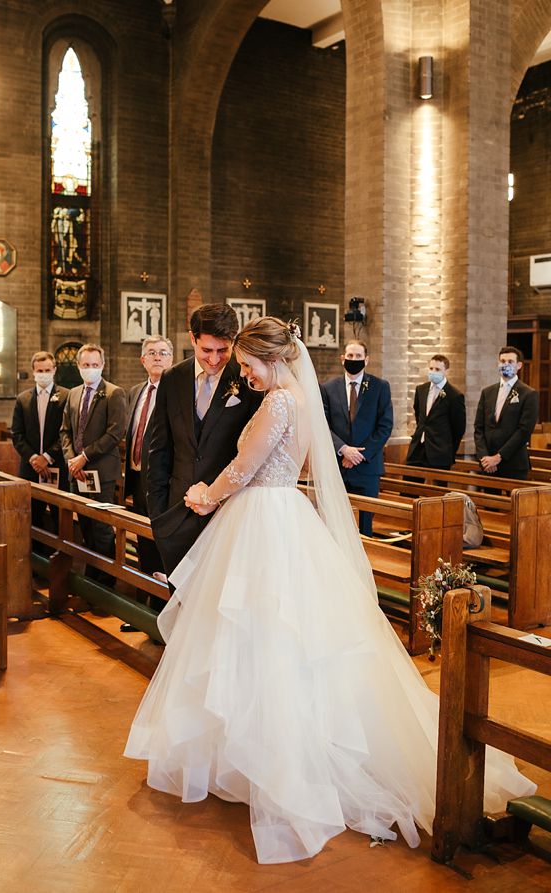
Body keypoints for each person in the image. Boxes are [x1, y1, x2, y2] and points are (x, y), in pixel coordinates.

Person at [124, 316, 535, 864]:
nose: (243, 375)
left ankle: (280, 763)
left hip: (263, 521)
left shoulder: (279, 404)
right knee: (276, 642)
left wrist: (204, 494)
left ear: (274, 359)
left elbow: (244, 468)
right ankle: (256, 753)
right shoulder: (295, 397)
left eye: (248, 365)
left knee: (264, 639)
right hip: (277, 518)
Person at [142, 303, 262, 575]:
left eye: (223, 350)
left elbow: (252, 455)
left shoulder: (247, 379)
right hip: (175, 514)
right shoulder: (173, 378)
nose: (215, 359)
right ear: (192, 338)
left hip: (228, 515)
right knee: (180, 606)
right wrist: (159, 515)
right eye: (206, 350)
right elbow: (159, 448)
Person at [59, 344, 126, 583]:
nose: (90, 369)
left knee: (102, 528)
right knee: (85, 526)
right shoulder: (73, 393)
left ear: (103, 366)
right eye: (86, 365)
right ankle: (92, 576)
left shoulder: (113, 393)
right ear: (78, 366)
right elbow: (65, 431)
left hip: (100, 471)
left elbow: (115, 433)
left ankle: (106, 582)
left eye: (95, 365)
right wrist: (71, 461)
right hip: (76, 472)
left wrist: (84, 457)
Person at [320, 339, 393, 537]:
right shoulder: (328, 388)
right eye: (350, 356)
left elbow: (385, 426)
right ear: (342, 359)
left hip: (367, 467)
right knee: (335, 523)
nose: (354, 359)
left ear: (366, 359)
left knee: (365, 526)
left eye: (358, 356)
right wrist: (344, 449)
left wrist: (360, 454)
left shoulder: (380, 386)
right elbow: (322, 425)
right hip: (337, 466)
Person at [124, 336, 172, 581]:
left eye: (163, 353)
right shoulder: (136, 392)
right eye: (152, 352)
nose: (157, 357)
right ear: (143, 360)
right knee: (143, 540)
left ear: (171, 359)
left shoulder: (176, 393)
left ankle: (158, 597)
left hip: (163, 482)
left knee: (160, 541)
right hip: (137, 478)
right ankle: (145, 587)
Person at [10, 351, 69, 540]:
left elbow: (67, 433)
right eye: (39, 370)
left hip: (57, 466)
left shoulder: (66, 396)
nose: (43, 373)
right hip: (30, 467)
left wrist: (48, 457)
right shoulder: (23, 399)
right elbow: (17, 434)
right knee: (31, 517)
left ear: (54, 370)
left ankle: (59, 560)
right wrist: (34, 458)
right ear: (34, 372)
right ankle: (35, 559)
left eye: (47, 370)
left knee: (59, 517)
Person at [474, 345, 538, 480]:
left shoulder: (528, 394)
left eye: (510, 362)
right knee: (489, 501)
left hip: (513, 463)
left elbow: (524, 431)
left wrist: (499, 457)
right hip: (488, 464)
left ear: (519, 365)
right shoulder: (487, 392)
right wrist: (484, 457)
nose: (505, 365)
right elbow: (479, 428)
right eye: (502, 361)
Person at [405, 354, 466, 471]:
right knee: (408, 485)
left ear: (446, 371)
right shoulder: (421, 390)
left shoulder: (455, 395)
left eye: (437, 369)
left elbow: (458, 428)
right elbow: (419, 416)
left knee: (437, 488)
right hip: (418, 448)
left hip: (440, 451)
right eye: (431, 368)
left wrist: (449, 450)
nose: (433, 372)